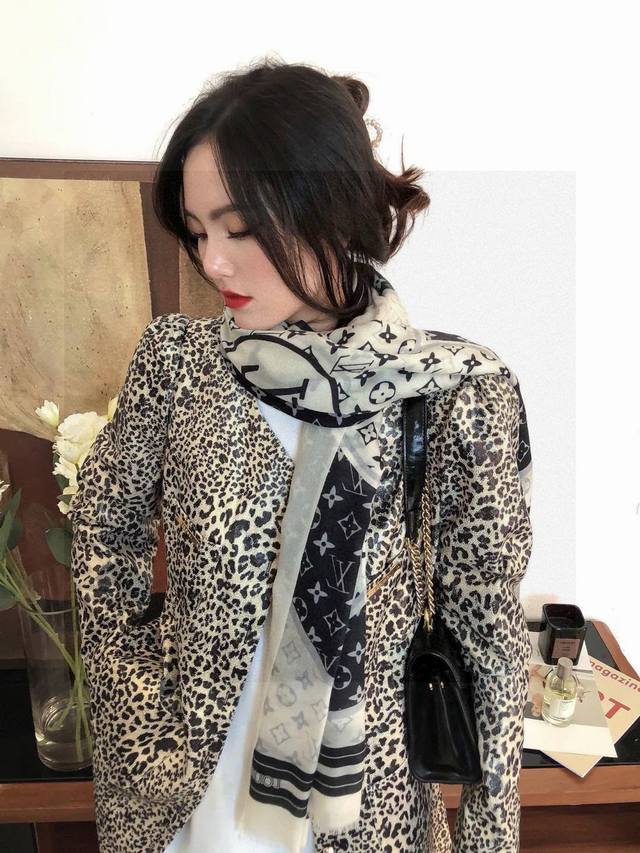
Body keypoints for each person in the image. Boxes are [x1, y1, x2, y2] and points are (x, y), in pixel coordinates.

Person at [70, 58, 534, 853]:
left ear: (331, 205)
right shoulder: (179, 364)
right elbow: (102, 531)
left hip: (366, 811)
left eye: (239, 228)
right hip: (202, 804)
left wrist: (490, 840)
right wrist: (134, 714)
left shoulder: (457, 393)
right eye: (199, 230)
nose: (212, 261)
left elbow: (488, 636)